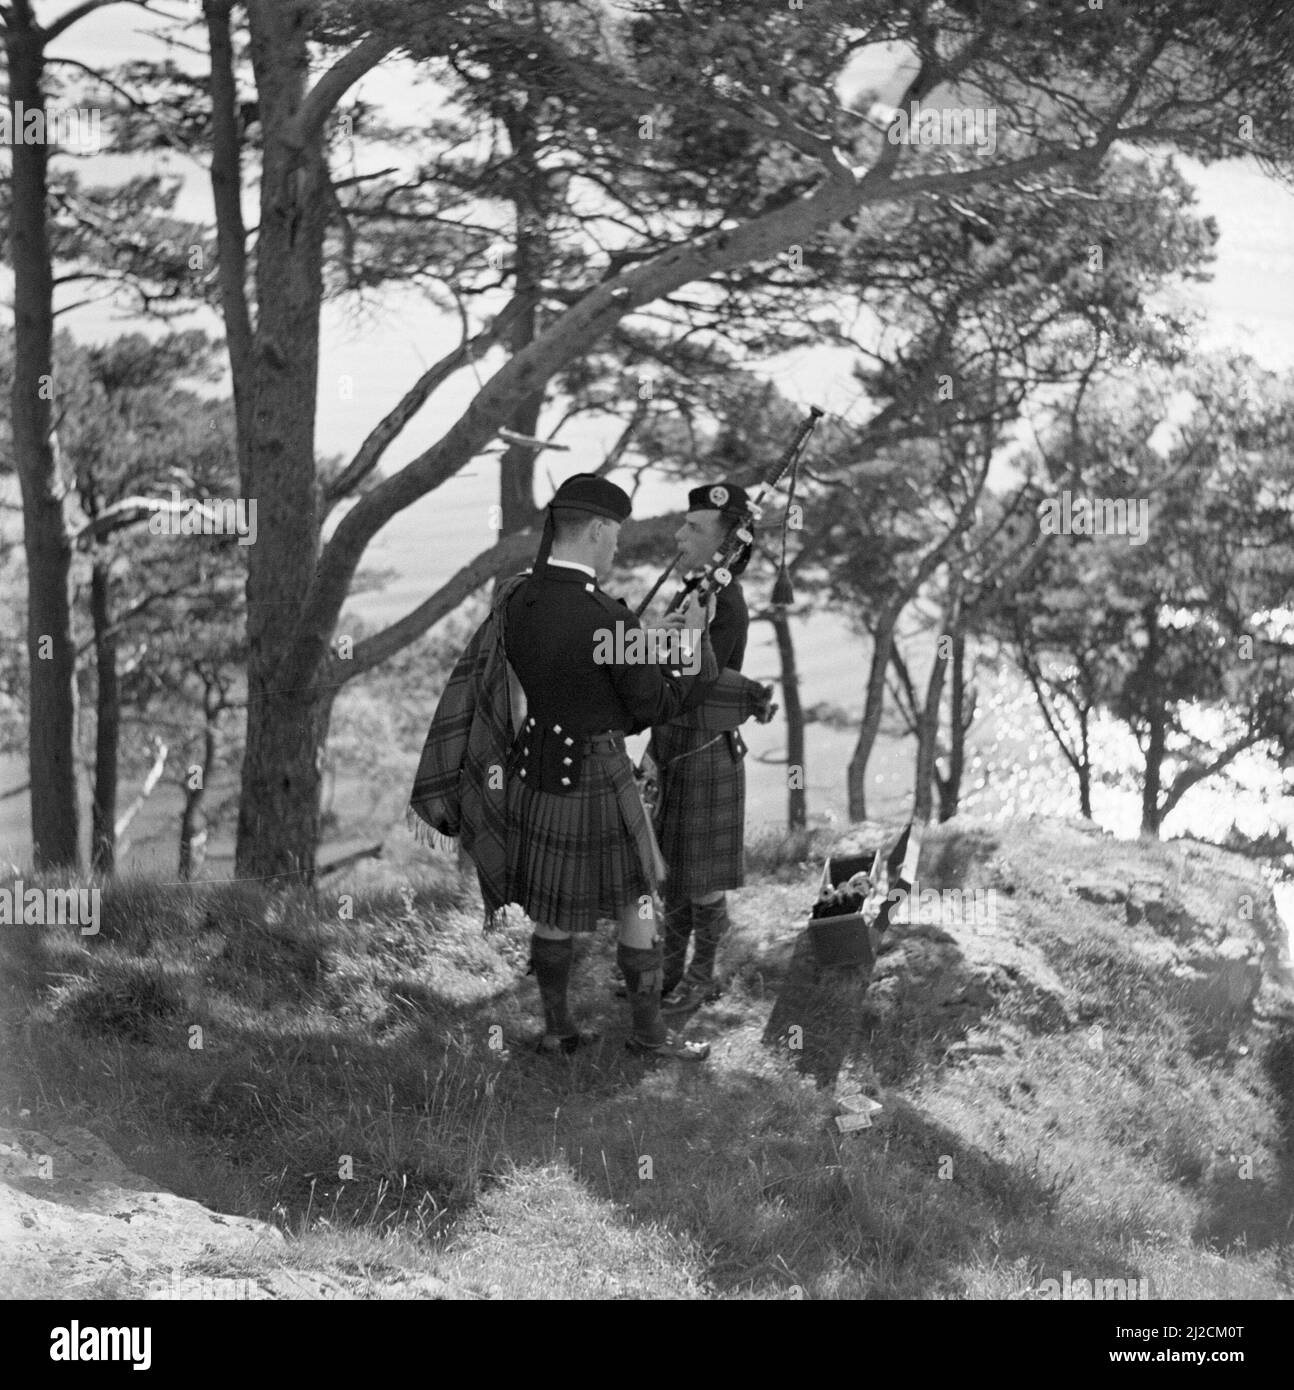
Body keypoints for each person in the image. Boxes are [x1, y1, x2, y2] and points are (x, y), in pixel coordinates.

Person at [503, 473, 719, 1060]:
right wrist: (688, 646)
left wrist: (641, 645)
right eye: (615, 534)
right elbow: (652, 706)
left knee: (550, 908)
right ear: (597, 530)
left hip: (537, 765)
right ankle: (649, 1036)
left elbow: (577, 667)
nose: (617, 546)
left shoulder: (517, 598)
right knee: (636, 899)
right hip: (597, 771)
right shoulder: (609, 618)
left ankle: (558, 1030)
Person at [648, 482, 754, 1014]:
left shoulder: (726, 605)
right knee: (672, 876)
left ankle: (703, 976)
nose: (678, 534)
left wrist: (682, 641)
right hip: (674, 744)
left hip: (704, 746)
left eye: (693, 528)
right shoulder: (696, 593)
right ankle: (668, 974)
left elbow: (700, 683)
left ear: (725, 545)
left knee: (704, 884)